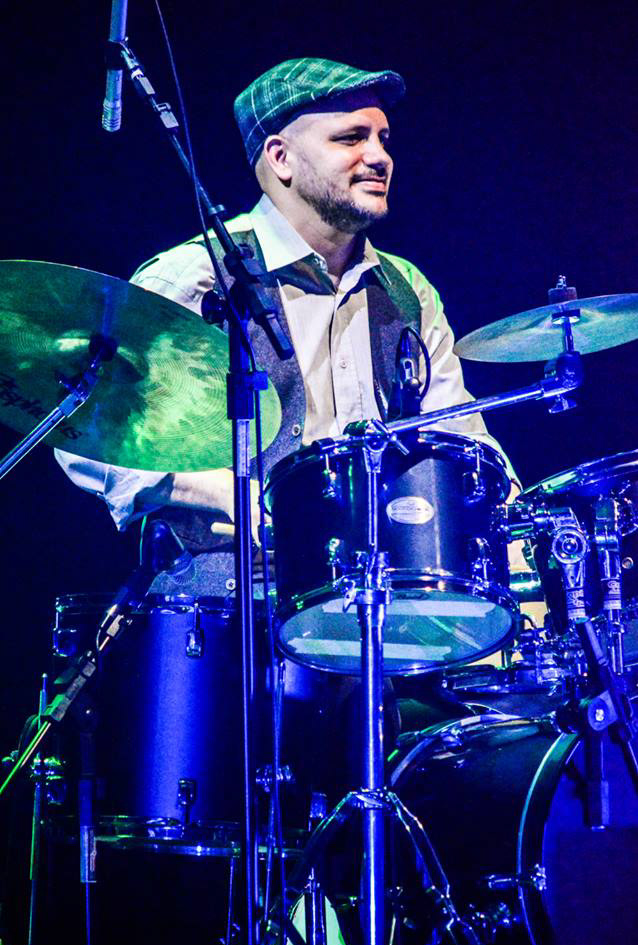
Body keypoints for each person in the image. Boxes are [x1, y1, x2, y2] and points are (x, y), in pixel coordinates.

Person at [55, 56, 519, 596]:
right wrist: (225, 491)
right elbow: (87, 439)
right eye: (351, 138)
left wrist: (519, 537)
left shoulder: (406, 289)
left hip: (387, 600)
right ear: (281, 158)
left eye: (383, 138)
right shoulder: (197, 277)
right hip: (228, 605)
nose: (379, 156)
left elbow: (461, 438)